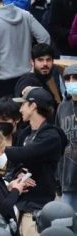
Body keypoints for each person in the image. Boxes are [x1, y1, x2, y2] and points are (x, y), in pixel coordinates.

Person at [9, 87, 68, 236]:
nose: (20, 109)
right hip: (20, 204)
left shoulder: (52, 136)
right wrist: (19, 172)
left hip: (39, 207)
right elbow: (16, 163)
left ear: (33, 106)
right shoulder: (25, 134)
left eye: (23, 104)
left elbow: (27, 153)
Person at [14, 43, 63, 109]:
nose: (45, 64)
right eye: (40, 60)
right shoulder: (27, 79)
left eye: (48, 60)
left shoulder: (50, 77)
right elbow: (24, 89)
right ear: (32, 62)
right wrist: (26, 90)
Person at [55, 64, 77, 210]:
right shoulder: (62, 108)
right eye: (67, 78)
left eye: (75, 77)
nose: (71, 81)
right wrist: (58, 178)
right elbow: (58, 144)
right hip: (68, 178)